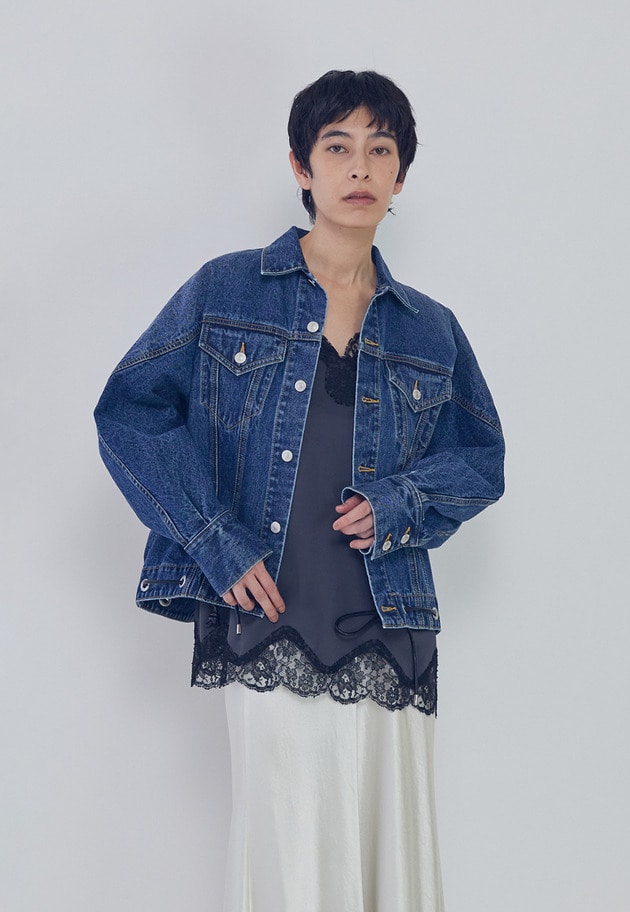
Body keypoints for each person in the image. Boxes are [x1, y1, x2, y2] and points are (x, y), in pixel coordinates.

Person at [95, 70, 504, 912]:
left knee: (390, 860)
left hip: (390, 617)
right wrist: (214, 543)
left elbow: (481, 459)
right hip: (271, 610)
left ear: (400, 176)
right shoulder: (227, 289)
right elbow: (129, 413)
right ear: (301, 166)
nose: (360, 167)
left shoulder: (431, 328)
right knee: (286, 852)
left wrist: (400, 503)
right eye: (338, 147)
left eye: (380, 150)